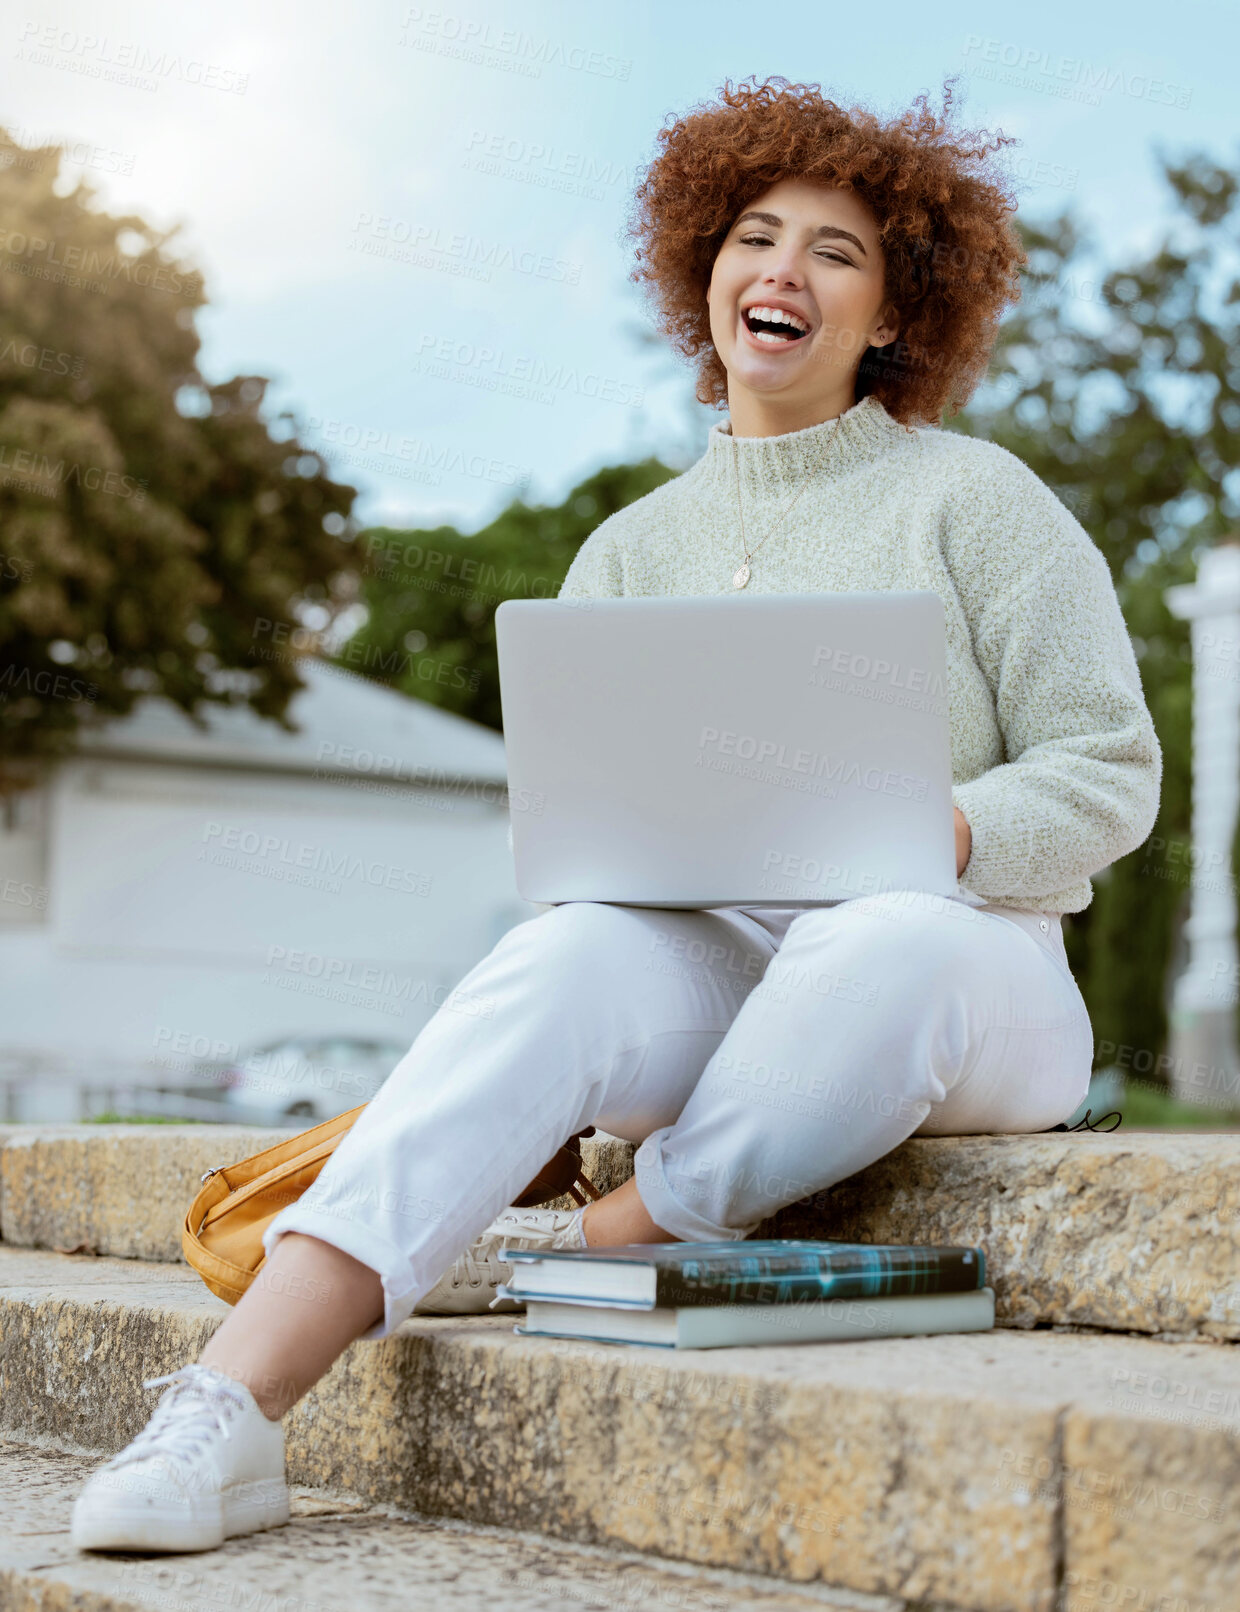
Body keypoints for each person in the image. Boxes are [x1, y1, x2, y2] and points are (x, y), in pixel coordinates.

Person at [71, 76, 1161, 1555]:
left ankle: (618, 1236)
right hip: (716, 956)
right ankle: (229, 1411)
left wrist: (931, 828)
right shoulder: (628, 551)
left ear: (896, 310)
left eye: (835, 252)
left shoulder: (978, 501)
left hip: (971, 965)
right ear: (704, 275)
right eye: (754, 237)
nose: (782, 270)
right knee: (567, 951)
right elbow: (590, 845)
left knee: (884, 928)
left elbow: (1108, 770)